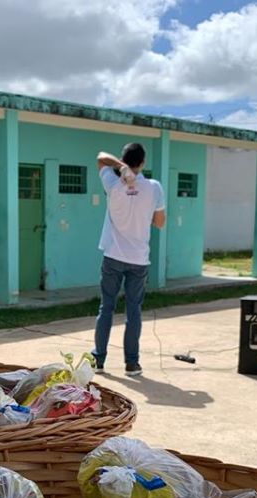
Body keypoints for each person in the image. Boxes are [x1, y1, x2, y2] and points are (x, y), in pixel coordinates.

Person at [91, 142, 166, 376]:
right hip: (138, 259)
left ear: (123, 160)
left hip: (113, 255)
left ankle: (99, 360)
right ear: (143, 163)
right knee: (134, 310)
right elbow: (160, 223)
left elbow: (101, 155)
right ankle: (132, 363)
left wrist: (120, 168)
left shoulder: (112, 184)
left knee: (107, 307)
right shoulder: (154, 187)